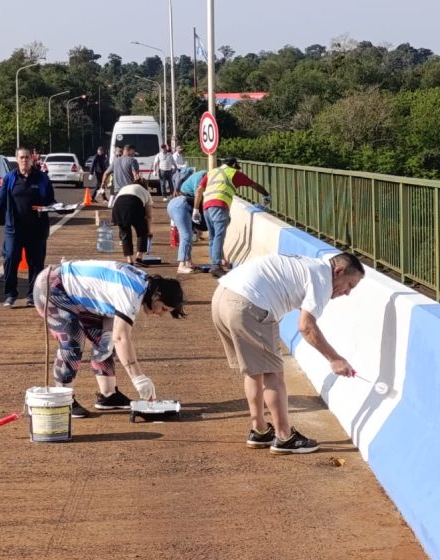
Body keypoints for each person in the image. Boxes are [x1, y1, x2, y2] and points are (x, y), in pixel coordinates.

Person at [211, 252, 365, 454]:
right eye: (350, 285)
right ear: (339, 271)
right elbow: (306, 327)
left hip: (222, 297)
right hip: (248, 304)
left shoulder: (308, 265)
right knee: (273, 374)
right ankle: (284, 437)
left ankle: (260, 430)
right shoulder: (323, 279)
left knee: (255, 371)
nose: (347, 293)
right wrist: (334, 359)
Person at [33, 260, 186, 417]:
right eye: (163, 308)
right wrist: (139, 379)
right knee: (73, 341)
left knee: (104, 341)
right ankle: (62, 398)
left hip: (72, 293)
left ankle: (108, 395)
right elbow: (121, 338)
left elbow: (110, 310)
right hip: (52, 286)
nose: (160, 314)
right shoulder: (132, 292)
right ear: (156, 296)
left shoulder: (142, 285)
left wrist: (106, 336)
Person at [0, 147, 56, 308]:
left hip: (37, 228)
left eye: (27, 157)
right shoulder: (10, 178)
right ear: (17, 159)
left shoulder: (42, 179)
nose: (24, 160)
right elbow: (0, 201)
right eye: (21, 157)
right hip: (14, 228)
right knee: (10, 258)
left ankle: (32, 296)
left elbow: (51, 200)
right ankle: (10, 294)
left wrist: (58, 207)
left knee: (35, 263)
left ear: (32, 159)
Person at [193, 157, 270, 278]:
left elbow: (199, 190)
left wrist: (196, 209)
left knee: (213, 237)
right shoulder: (234, 173)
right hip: (219, 206)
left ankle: (214, 263)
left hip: (206, 207)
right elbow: (254, 185)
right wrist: (266, 195)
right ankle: (216, 266)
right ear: (234, 164)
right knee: (219, 236)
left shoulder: (212, 172)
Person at [111, 182, 154, 267]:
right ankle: (139, 258)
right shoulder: (146, 192)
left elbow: (114, 203)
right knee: (142, 231)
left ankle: (129, 260)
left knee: (125, 234)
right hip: (134, 204)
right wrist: (149, 231)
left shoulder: (125, 188)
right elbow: (148, 216)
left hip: (118, 207)